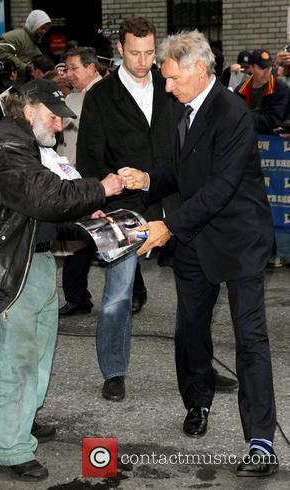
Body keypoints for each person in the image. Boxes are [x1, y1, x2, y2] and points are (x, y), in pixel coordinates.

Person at [119, 30, 278, 477]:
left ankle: (262, 441)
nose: (165, 87)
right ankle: (198, 403)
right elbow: (181, 169)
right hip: (194, 236)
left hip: (239, 238)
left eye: (171, 78)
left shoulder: (233, 114)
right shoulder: (177, 107)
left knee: (250, 340)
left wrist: (168, 226)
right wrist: (146, 180)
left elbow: (221, 188)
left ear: (200, 70)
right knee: (190, 329)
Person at [0, 78, 123, 481]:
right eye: (54, 116)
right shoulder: (6, 141)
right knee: (15, 359)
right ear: (29, 110)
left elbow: (49, 206)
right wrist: (101, 188)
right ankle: (8, 447)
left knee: (38, 356)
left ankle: (20, 420)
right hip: (14, 266)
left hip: (38, 261)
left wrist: (88, 217)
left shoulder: (30, 145)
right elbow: (43, 197)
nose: (60, 125)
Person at [76, 16, 173, 401]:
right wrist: (98, 201)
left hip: (171, 200)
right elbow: (89, 157)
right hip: (122, 207)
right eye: (135, 53)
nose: (143, 60)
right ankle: (114, 371)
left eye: (150, 52)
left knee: (198, 288)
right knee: (118, 294)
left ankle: (200, 367)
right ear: (119, 49)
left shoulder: (170, 87)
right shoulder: (100, 96)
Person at [57, 46, 102, 315]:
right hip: (71, 177)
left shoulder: (109, 95)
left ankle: (135, 291)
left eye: (74, 68)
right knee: (80, 236)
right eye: (67, 68)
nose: (69, 74)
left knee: (108, 236)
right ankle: (77, 297)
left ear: (91, 68)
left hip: (97, 177)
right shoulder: (71, 98)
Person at [0, 9, 52, 87]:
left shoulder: (36, 49)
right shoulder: (13, 37)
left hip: (17, 89)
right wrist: (26, 68)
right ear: (34, 24)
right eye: (42, 28)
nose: (44, 31)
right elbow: (2, 54)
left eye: (46, 29)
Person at [234, 48, 290, 134]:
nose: (266, 72)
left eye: (269, 68)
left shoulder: (280, 89)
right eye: (261, 68)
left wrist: (244, 117)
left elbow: (273, 121)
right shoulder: (240, 90)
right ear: (251, 68)